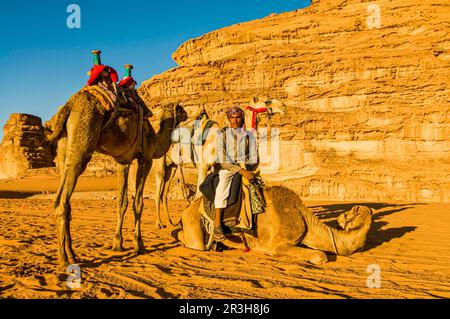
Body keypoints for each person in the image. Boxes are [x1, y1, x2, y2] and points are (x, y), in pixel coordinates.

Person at [213, 106, 258, 241]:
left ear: (242, 118)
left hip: (245, 166)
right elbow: (223, 161)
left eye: (238, 117)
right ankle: (217, 224)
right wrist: (241, 170)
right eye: (232, 117)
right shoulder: (222, 135)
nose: (235, 120)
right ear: (228, 119)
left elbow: (254, 157)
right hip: (229, 168)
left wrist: (248, 165)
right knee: (222, 189)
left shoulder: (249, 136)